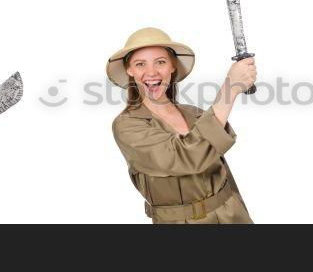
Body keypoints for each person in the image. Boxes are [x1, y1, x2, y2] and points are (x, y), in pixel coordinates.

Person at [109, 27, 257, 224]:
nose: (151, 72)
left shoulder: (195, 114)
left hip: (232, 215)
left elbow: (225, 176)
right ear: (130, 70)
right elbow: (186, 157)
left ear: (172, 66)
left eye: (160, 62)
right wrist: (230, 89)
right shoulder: (127, 126)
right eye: (140, 64)